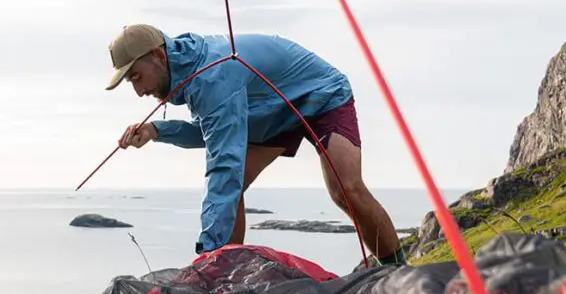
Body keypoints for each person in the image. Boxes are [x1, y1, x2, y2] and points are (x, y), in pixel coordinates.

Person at [105, 23, 406, 265]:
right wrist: (157, 130)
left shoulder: (212, 76)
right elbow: (211, 131)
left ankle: (397, 271)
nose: (139, 91)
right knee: (234, 191)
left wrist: (205, 255)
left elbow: (224, 165)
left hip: (322, 95)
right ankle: (229, 275)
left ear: (159, 56)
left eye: (136, 77)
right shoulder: (190, 74)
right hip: (271, 112)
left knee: (345, 189)